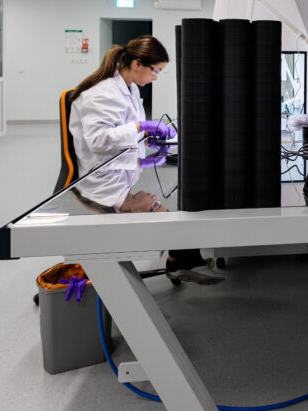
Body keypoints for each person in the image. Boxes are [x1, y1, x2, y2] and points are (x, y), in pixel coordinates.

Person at [69, 35, 222, 285]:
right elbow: (97, 140)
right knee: (174, 213)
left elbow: (122, 129)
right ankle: (181, 260)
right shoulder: (103, 93)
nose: (156, 77)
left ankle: (179, 259)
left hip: (119, 168)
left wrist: (147, 139)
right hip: (101, 180)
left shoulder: (129, 88)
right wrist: (141, 126)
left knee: (174, 208)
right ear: (137, 64)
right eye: (156, 71)